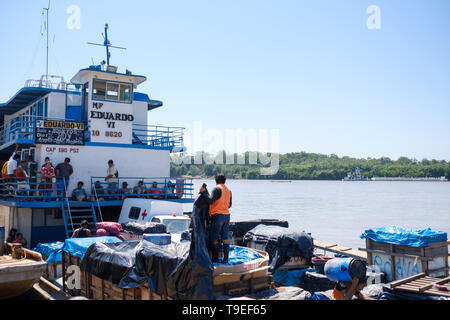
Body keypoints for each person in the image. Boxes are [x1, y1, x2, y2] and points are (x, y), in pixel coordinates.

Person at [199, 173, 232, 263]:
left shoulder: (217, 188)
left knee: (213, 238)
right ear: (224, 181)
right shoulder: (228, 190)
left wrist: (204, 192)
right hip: (226, 216)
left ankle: (215, 259)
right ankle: (225, 259)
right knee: (225, 237)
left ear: (216, 181)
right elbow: (229, 205)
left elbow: (210, 201)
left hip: (218, 216)